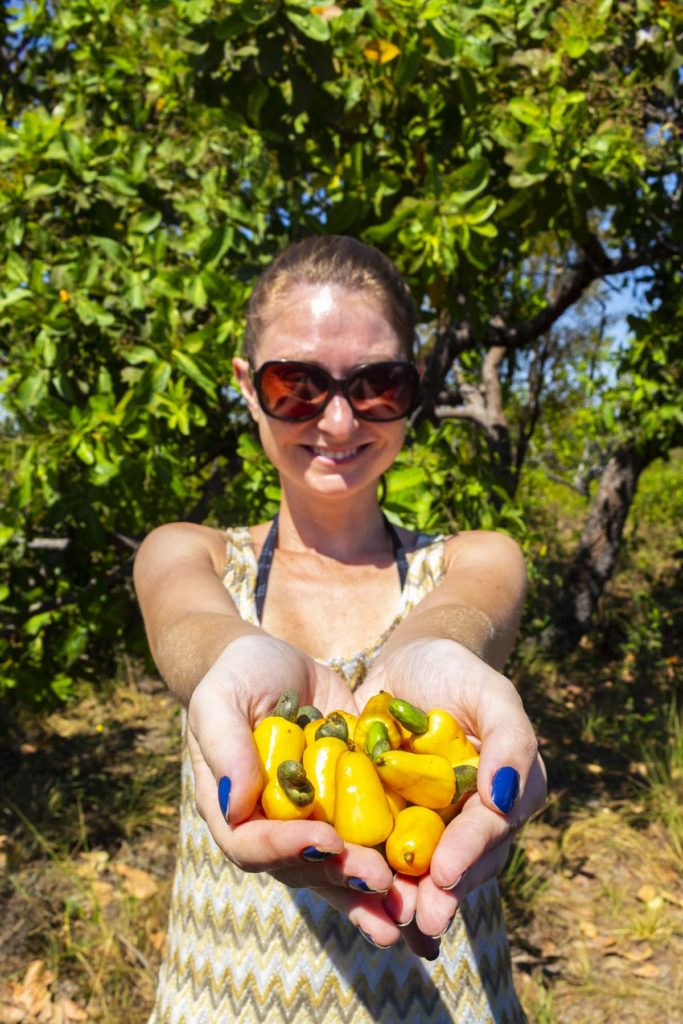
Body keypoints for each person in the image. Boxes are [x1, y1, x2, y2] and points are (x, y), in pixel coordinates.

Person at [134, 235, 546, 1024]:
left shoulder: (477, 558)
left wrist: (431, 654)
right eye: (296, 384)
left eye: (376, 384)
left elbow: (453, 623)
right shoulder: (186, 553)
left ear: (411, 390)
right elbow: (192, 627)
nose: (337, 417)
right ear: (247, 388)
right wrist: (238, 655)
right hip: (225, 1001)